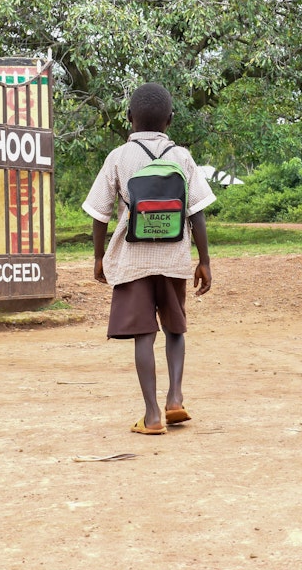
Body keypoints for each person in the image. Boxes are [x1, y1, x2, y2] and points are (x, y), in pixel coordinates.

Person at [83, 82, 216, 435]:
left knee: (145, 335)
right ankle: (175, 398)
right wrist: (203, 260)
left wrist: (99, 258)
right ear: (170, 120)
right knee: (175, 329)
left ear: (129, 118)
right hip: (174, 259)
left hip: (132, 261)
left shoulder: (118, 157)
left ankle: (153, 415)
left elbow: (99, 214)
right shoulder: (182, 157)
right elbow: (198, 213)